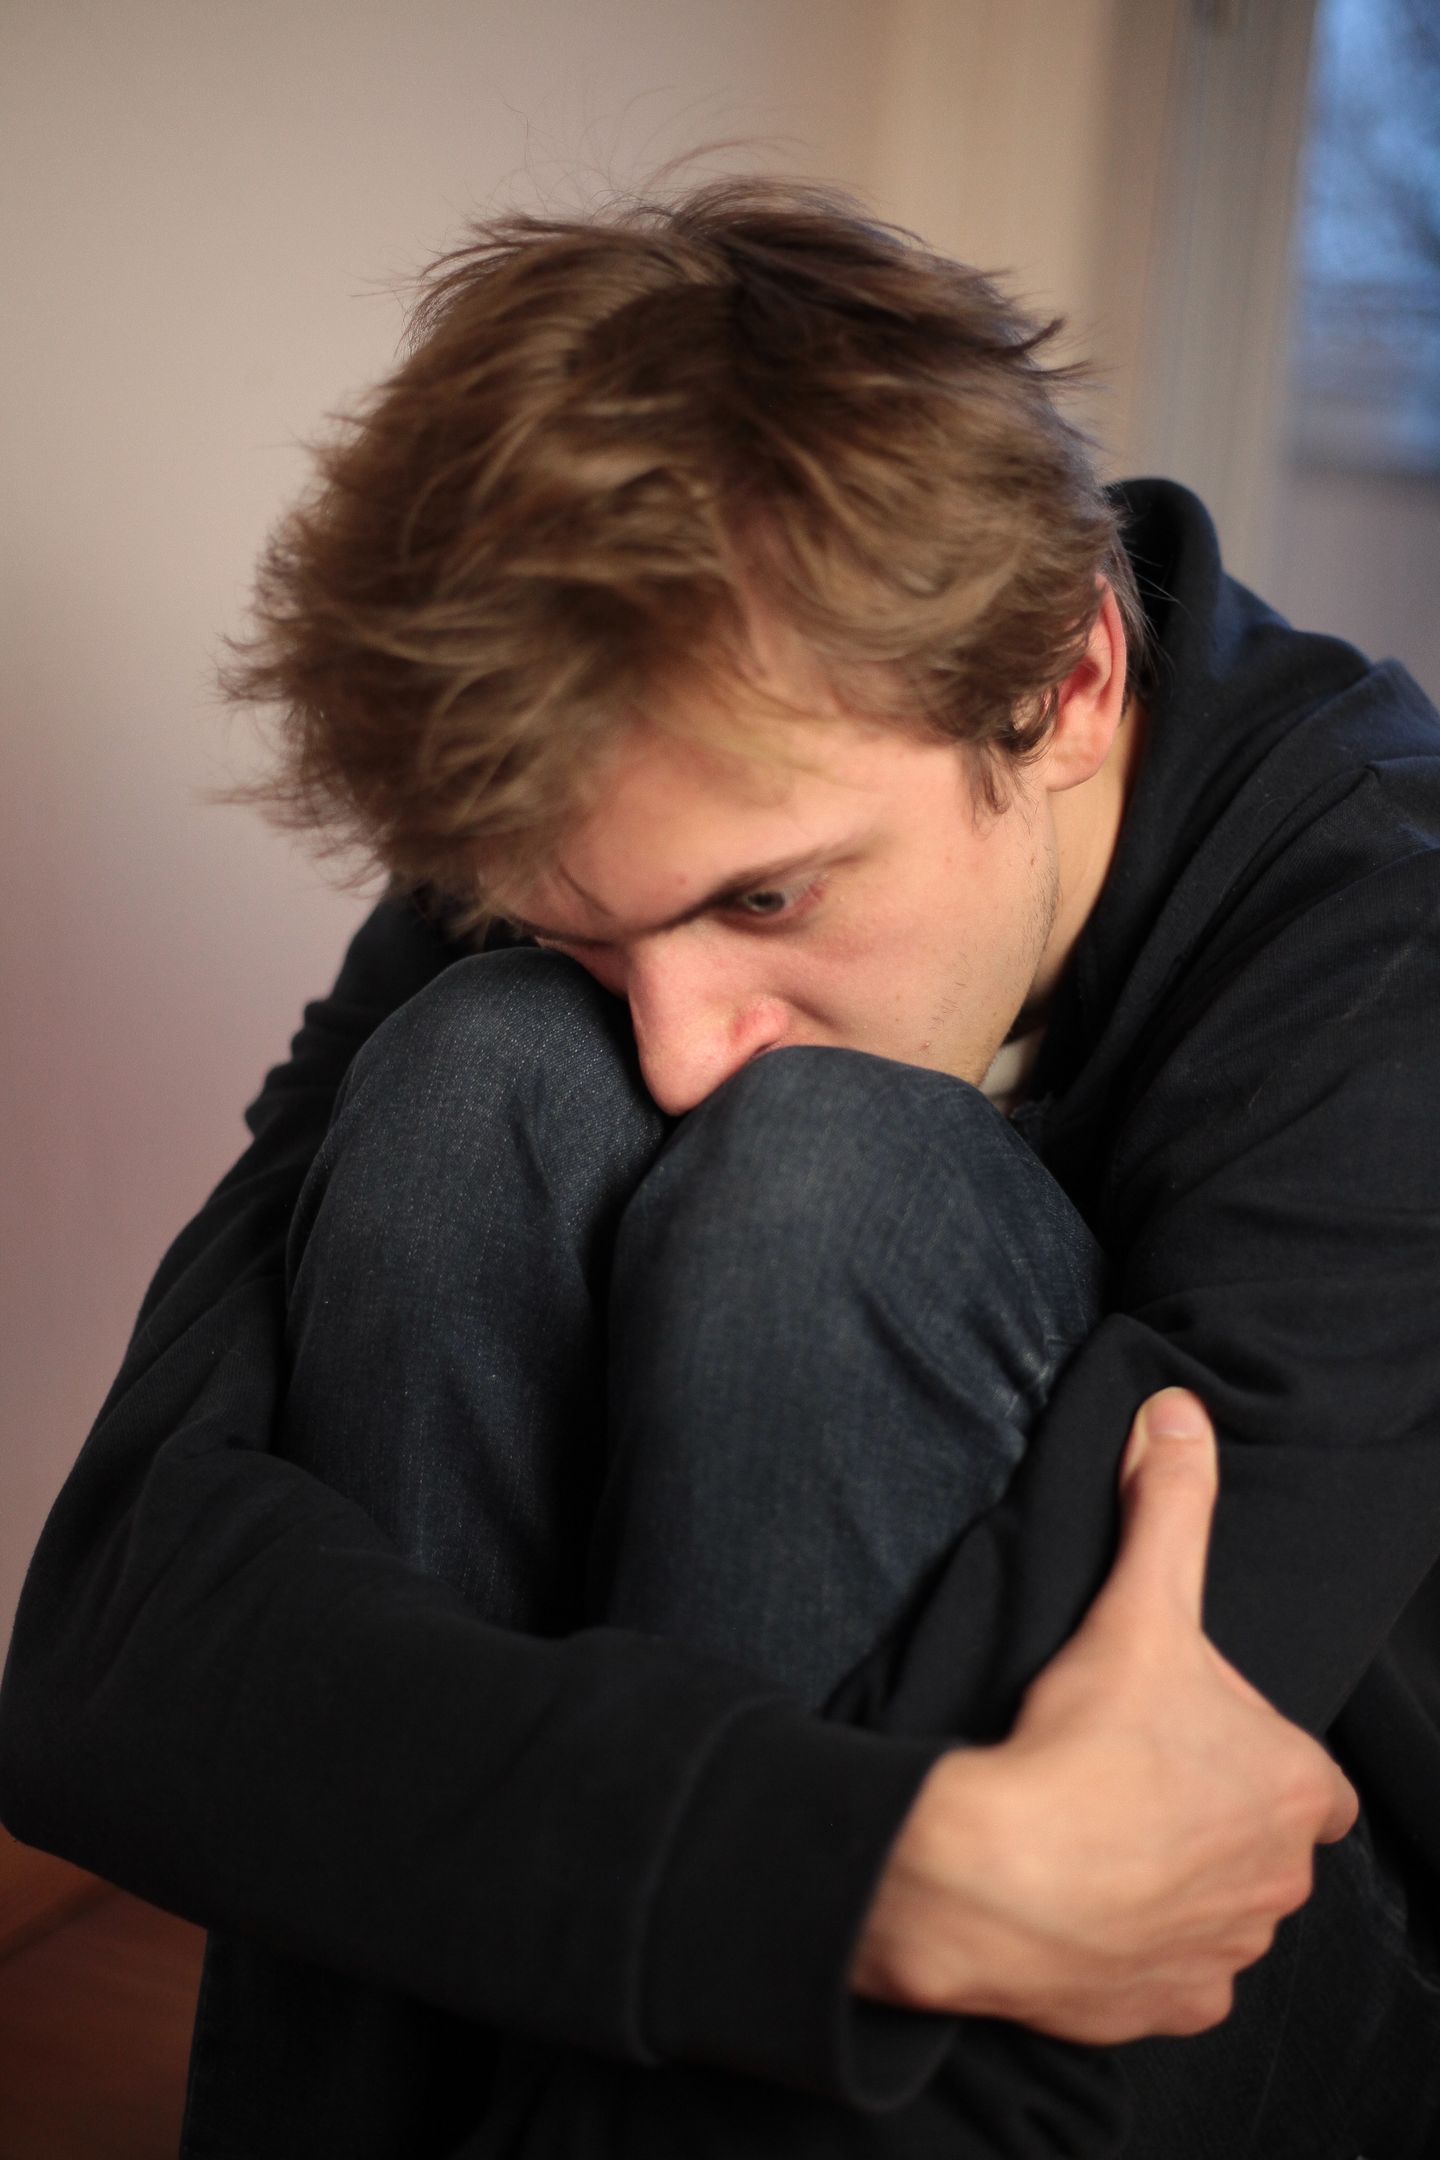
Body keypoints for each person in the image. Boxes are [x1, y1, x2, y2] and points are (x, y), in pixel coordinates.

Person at [1, 177, 1437, 2158]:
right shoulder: (604, 810)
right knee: (490, 1074)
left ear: (1070, 678)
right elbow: (105, 1665)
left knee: (817, 1170)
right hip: (884, 1928)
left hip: (1285, 1975)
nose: (677, 1042)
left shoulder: (1391, 942)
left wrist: (775, 1873)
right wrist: (873, 1873)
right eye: (590, 928)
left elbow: (1121, 1871)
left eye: (769, 897)